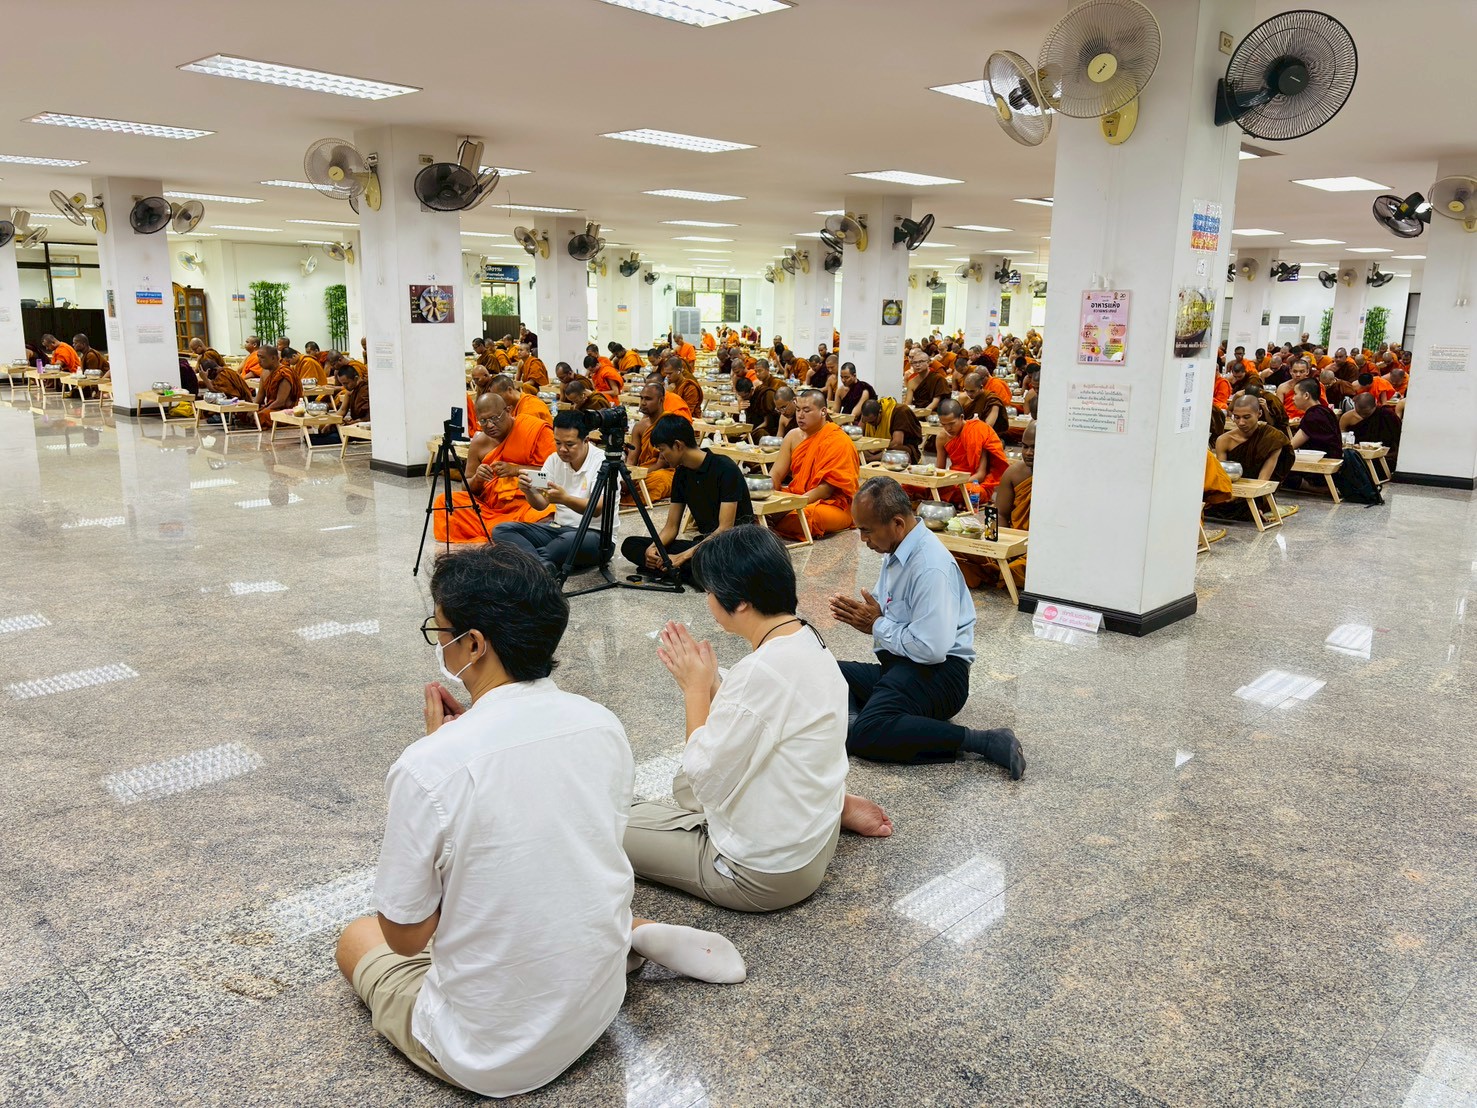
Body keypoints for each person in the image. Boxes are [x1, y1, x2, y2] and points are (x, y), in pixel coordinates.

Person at [336, 545, 746, 1100]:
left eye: (442, 632)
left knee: (358, 936)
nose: (441, 644)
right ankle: (630, 932)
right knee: (557, 862)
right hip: (598, 1007)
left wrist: (440, 754)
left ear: (474, 644)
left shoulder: (426, 767)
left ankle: (627, 934)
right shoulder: (601, 723)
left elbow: (406, 938)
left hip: (491, 1054)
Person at [625, 526, 893, 912]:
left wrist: (695, 689)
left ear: (741, 603)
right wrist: (713, 681)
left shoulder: (760, 673)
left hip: (761, 875)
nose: (708, 600)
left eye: (710, 592)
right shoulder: (808, 638)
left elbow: (706, 778)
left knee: (609, 823)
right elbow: (763, 712)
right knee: (682, 784)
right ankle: (835, 806)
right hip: (815, 843)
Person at [829, 478, 1025, 776]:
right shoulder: (896, 550)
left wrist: (876, 624)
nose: (862, 539)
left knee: (868, 732)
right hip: (902, 667)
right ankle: (864, 721)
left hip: (940, 676)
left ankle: (983, 740)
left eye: (866, 530)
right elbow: (888, 614)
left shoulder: (930, 566)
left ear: (897, 523)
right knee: (827, 670)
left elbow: (930, 650)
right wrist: (873, 617)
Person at [620, 415, 753, 583]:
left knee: (710, 564)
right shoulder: (681, 474)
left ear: (678, 445)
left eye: (662, 449)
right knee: (631, 545)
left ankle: (676, 570)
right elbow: (671, 527)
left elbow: (725, 530)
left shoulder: (725, 468)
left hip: (733, 548)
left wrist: (682, 557)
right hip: (704, 545)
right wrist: (654, 548)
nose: (662, 456)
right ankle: (677, 570)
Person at [493, 410, 613, 573]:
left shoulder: (603, 462)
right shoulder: (554, 460)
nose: (562, 449)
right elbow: (541, 504)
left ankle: (531, 562)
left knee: (566, 542)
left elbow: (597, 508)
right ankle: (541, 564)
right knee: (502, 530)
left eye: (569, 444)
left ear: (586, 440)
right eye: (558, 443)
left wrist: (565, 499)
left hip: (595, 536)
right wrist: (529, 491)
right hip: (558, 529)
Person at [433, 392, 555, 542]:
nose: (489, 425)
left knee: (549, 510)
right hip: (490, 510)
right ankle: (511, 533)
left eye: (494, 418)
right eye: (483, 421)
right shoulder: (479, 444)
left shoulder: (533, 430)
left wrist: (515, 470)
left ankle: (507, 533)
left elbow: (554, 475)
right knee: (445, 502)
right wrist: (478, 478)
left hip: (528, 503)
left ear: (508, 411)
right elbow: (466, 487)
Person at [768, 389, 860, 540]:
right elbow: (776, 473)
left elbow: (825, 490)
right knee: (753, 506)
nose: (800, 415)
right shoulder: (792, 436)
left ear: (823, 411)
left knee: (808, 516)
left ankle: (771, 524)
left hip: (832, 504)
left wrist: (789, 507)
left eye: (806, 410)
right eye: (798, 410)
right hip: (798, 494)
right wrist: (767, 495)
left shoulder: (838, 441)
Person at [958, 424, 1034, 591]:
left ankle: (997, 573)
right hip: (1013, 541)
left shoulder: (1059, 476)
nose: (1029, 453)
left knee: (1027, 567)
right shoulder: (1013, 473)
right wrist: (995, 545)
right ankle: (997, 569)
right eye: (1025, 446)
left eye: (1034, 447)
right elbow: (998, 514)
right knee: (958, 550)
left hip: (1036, 547)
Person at [933, 398, 1009, 504]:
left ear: (961, 417)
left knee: (973, 492)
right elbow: (940, 470)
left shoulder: (976, 431)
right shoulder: (942, 437)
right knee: (916, 486)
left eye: (951, 424)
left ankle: (947, 498)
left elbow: (980, 475)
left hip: (973, 482)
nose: (948, 428)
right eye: (943, 424)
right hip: (952, 478)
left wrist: (957, 483)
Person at [623, 382, 685, 505]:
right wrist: (626, 476)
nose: (643, 403)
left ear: (661, 400)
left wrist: (637, 478)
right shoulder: (639, 426)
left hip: (664, 471)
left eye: (648, 399)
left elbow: (662, 464)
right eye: (641, 398)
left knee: (659, 479)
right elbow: (631, 460)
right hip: (643, 470)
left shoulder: (669, 424)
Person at [858, 397, 925, 463]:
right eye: (866, 422)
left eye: (872, 422)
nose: (870, 425)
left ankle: (870, 459)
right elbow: (858, 436)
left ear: (880, 412)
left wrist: (877, 447)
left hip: (891, 449)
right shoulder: (866, 415)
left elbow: (897, 443)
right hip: (873, 449)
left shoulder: (899, 411)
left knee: (898, 452)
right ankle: (869, 458)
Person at [1340, 392, 1402, 462]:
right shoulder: (1347, 417)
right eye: (1359, 412)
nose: (1362, 415)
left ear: (1375, 405)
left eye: (1366, 413)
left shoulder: (1387, 414)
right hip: (1357, 455)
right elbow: (1341, 436)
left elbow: (1398, 436)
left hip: (1385, 454)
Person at [1289, 377, 1342, 458]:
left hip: (1323, 461)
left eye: (1295, 394)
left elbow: (1291, 446)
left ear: (1306, 395)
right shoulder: (1325, 410)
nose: (1293, 398)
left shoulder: (1313, 416)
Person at [254, 345, 301, 424]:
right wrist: (252, 409)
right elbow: (260, 397)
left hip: (285, 411)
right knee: (246, 413)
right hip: (271, 407)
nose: (259, 360)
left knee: (262, 416)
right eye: (258, 357)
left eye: (262, 357)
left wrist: (263, 411)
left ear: (273, 358)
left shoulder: (284, 373)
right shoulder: (264, 372)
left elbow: (280, 402)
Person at [960, 373, 1010, 438]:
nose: (969, 394)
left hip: (985, 436)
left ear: (981, 387)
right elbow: (958, 420)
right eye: (966, 390)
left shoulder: (992, 400)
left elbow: (988, 426)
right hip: (965, 433)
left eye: (972, 391)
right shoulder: (963, 398)